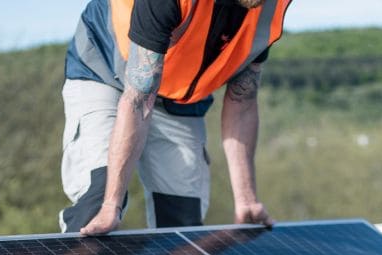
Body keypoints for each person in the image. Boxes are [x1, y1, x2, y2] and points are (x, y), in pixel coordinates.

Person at [60, 0, 293, 236]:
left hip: (179, 94)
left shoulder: (271, 6)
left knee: (182, 228)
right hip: (105, 70)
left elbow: (242, 100)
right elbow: (139, 100)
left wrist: (246, 198)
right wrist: (111, 205)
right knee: (98, 203)